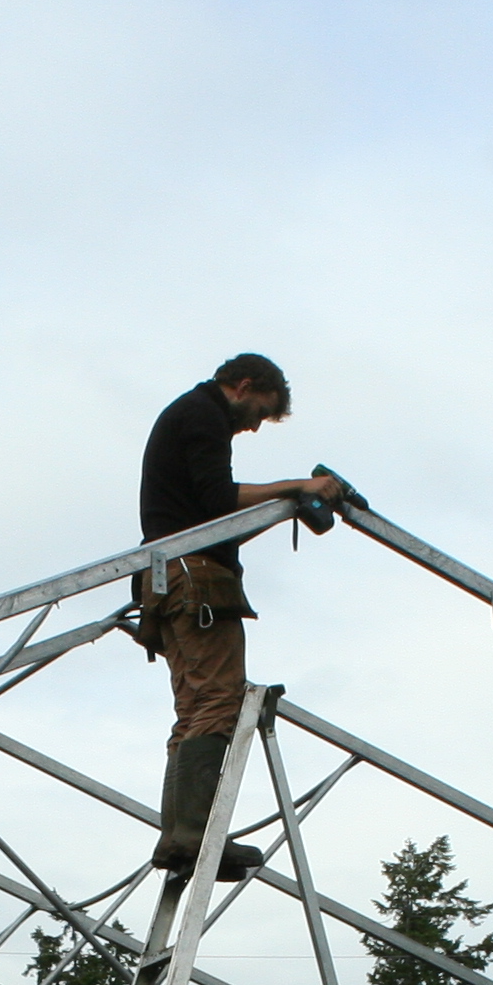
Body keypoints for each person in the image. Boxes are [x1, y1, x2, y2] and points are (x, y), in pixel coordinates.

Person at [134, 354, 344, 879]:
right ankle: (194, 837)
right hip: (195, 577)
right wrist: (297, 488)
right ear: (243, 385)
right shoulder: (203, 415)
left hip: (167, 578)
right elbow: (217, 503)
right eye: (259, 412)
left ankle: (179, 837)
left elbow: (206, 511)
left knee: (194, 707)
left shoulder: (186, 414)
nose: (254, 425)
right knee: (218, 701)